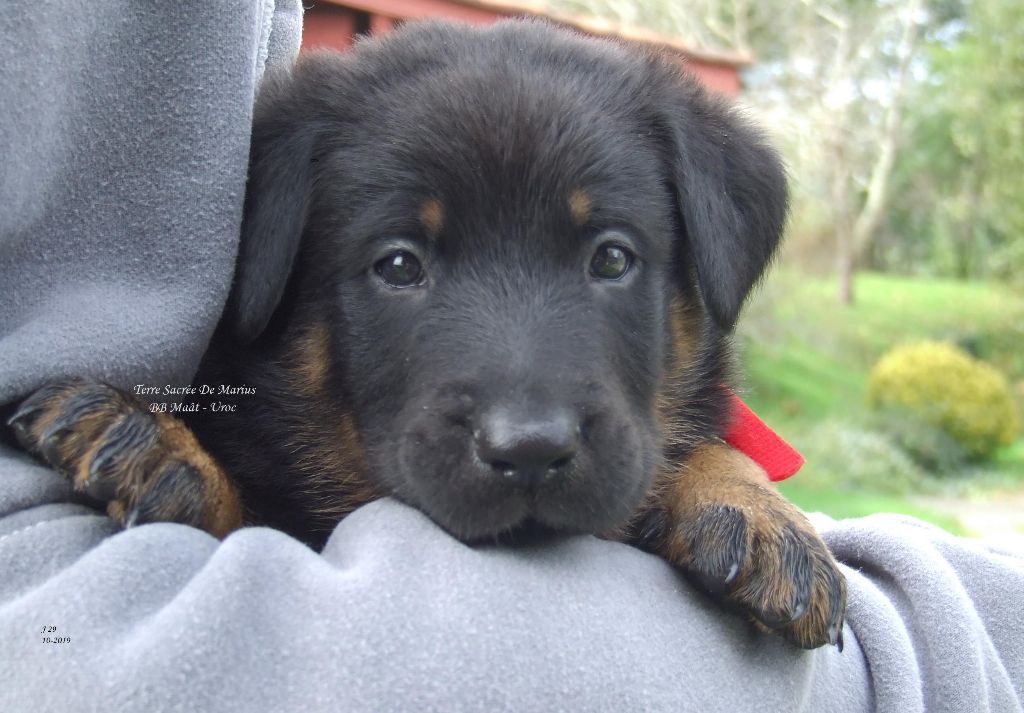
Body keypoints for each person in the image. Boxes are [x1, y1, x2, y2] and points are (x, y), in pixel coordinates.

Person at [0, 3, 1020, 711]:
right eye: (399, 264)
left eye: (611, 257)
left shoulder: (691, 455)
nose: (526, 420)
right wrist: (210, 503)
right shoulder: (297, 159)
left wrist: (718, 476)